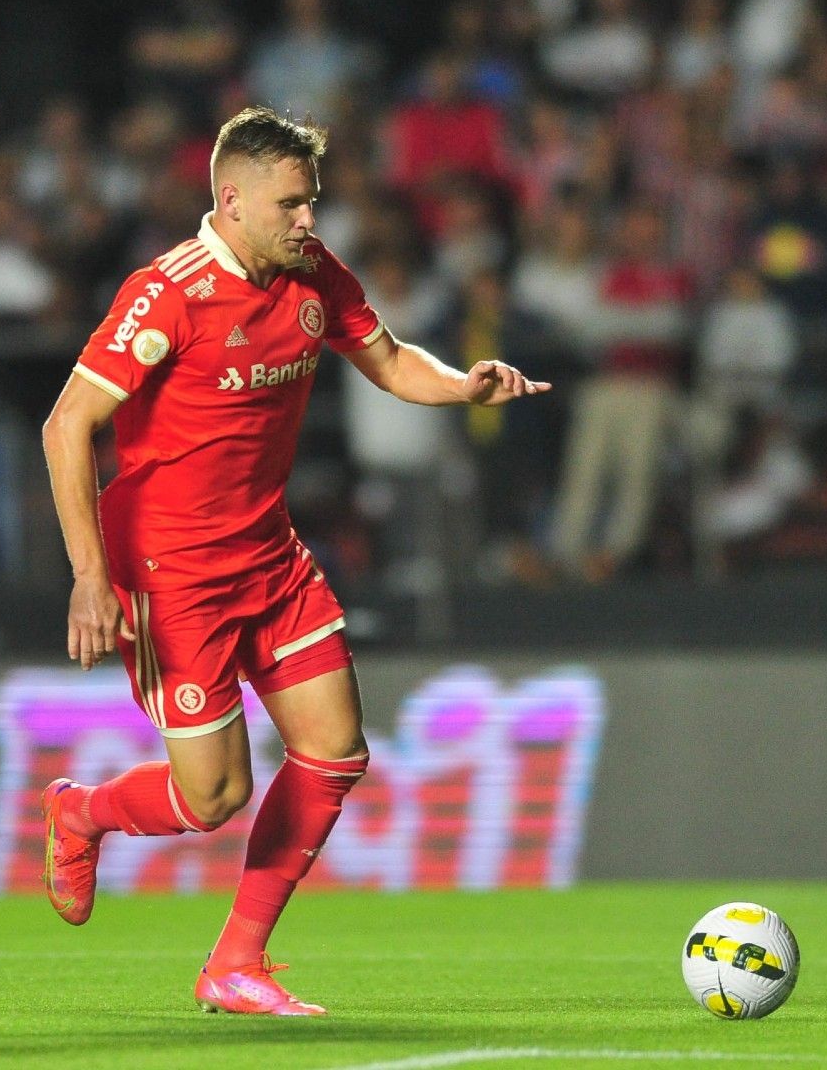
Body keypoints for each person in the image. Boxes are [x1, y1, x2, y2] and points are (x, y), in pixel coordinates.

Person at [39, 107, 548, 1015]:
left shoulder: (313, 273)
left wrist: (462, 381)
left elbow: (390, 362)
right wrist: (88, 575)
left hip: (269, 557)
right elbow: (67, 423)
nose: (309, 220)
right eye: (291, 204)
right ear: (230, 201)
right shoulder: (169, 292)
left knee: (335, 750)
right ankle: (81, 811)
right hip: (170, 573)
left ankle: (236, 963)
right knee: (214, 796)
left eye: (312, 201)